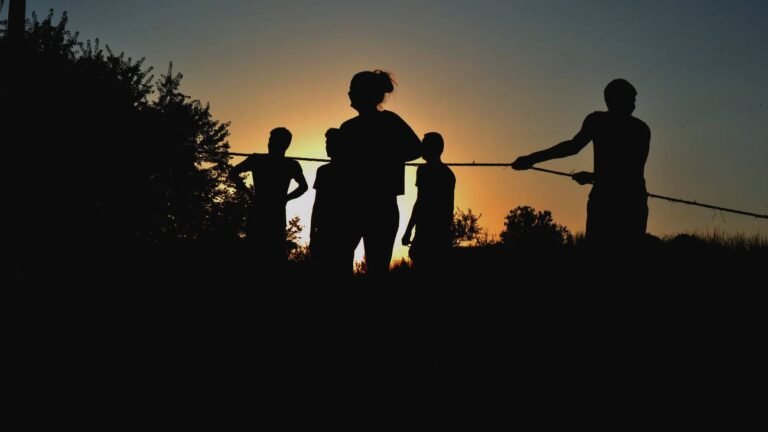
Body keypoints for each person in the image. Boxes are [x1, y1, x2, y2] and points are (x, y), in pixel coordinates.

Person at [512, 79, 650, 247]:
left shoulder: (616, 124)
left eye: (634, 101)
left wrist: (531, 159)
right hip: (629, 199)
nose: (634, 105)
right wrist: (531, 159)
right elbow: (630, 171)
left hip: (615, 199)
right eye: (630, 100)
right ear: (613, 100)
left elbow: (630, 170)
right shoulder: (637, 128)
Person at [337, 70, 422, 276]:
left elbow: (416, 149)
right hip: (367, 205)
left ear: (362, 94)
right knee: (373, 267)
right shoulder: (351, 127)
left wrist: (386, 155)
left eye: (352, 90)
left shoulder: (354, 128)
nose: (348, 94)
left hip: (365, 204)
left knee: (348, 263)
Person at [229, 127, 308, 268]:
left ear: (284, 144)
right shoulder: (261, 160)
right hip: (261, 211)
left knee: (271, 252)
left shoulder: (285, 164)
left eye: (274, 140)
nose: (270, 143)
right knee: (256, 251)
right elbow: (233, 173)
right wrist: (249, 193)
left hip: (271, 212)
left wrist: (286, 198)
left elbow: (304, 186)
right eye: (270, 139)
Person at [402, 132, 456, 272]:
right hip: (438, 233)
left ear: (433, 148)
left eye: (425, 144)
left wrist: (408, 231)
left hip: (429, 234)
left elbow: (421, 203)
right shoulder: (447, 174)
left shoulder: (425, 171)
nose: (422, 147)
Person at [310, 128, 352, 277]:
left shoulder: (350, 172)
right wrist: (312, 230)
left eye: (331, 143)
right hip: (325, 229)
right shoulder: (323, 171)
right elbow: (318, 202)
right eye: (327, 143)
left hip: (341, 231)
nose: (327, 146)